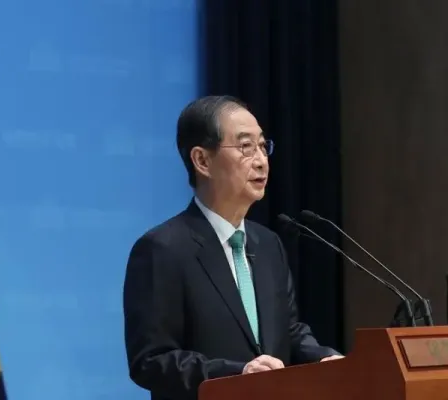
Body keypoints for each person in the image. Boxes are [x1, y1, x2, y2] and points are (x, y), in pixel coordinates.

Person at [122, 96, 343, 400]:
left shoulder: (268, 245)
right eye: (245, 147)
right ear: (202, 161)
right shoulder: (162, 250)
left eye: (263, 146)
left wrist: (323, 359)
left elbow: (288, 332)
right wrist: (237, 374)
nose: (261, 160)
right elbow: (151, 360)